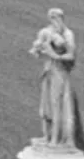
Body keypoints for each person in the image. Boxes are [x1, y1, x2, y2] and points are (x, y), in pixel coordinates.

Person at [29, 8, 78, 149]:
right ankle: (47, 136)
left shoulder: (68, 34)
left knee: (57, 105)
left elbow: (71, 55)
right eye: (51, 18)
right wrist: (39, 49)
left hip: (59, 72)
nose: (53, 20)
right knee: (45, 106)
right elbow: (38, 51)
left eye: (55, 17)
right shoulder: (48, 31)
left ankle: (55, 140)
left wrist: (54, 55)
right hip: (48, 70)